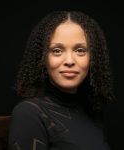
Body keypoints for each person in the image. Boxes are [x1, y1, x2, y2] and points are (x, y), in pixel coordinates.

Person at [8, 11, 116, 150]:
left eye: (80, 50)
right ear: (43, 58)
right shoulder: (29, 114)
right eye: (57, 50)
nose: (69, 61)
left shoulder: (91, 111)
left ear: (93, 58)